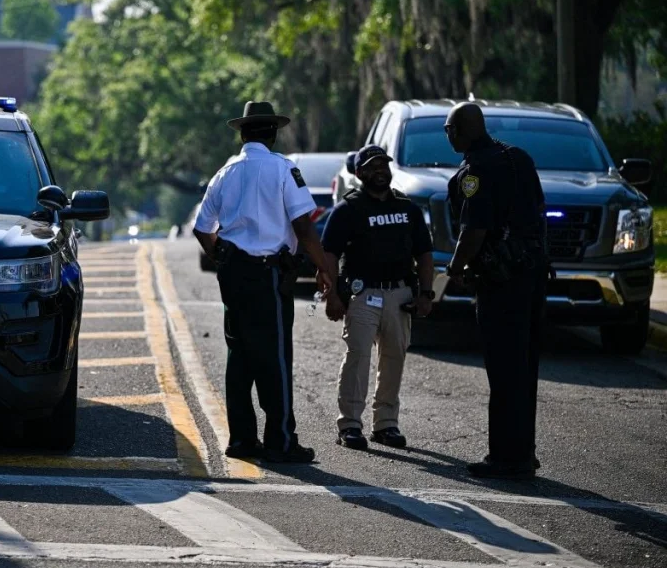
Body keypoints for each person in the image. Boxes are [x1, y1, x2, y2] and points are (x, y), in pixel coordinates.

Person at [193, 101, 332, 463]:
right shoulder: (283, 168)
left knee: (239, 357)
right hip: (268, 273)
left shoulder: (224, 173)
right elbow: (303, 224)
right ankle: (281, 440)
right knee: (275, 358)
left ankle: (241, 439)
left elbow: (202, 228)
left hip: (234, 274)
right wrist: (324, 268)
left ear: (242, 133)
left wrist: (221, 256)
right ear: (272, 133)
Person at [444, 101, 548, 480]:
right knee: (524, 365)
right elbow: (537, 213)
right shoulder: (520, 158)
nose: (448, 135)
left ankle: (505, 456)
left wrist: (454, 270)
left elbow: (474, 229)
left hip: (500, 282)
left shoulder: (476, 171)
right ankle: (524, 451)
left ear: (463, 129)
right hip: (533, 276)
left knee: (503, 368)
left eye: (449, 128)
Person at [319, 145, 435, 451]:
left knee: (394, 357)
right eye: (372, 167)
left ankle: (386, 425)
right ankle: (350, 425)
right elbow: (328, 253)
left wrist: (426, 293)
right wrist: (332, 295)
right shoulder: (349, 209)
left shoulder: (407, 208)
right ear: (360, 174)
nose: (380, 171)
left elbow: (424, 253)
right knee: (358, 356)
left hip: (399, 293)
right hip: (362, 293)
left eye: (384, 165)